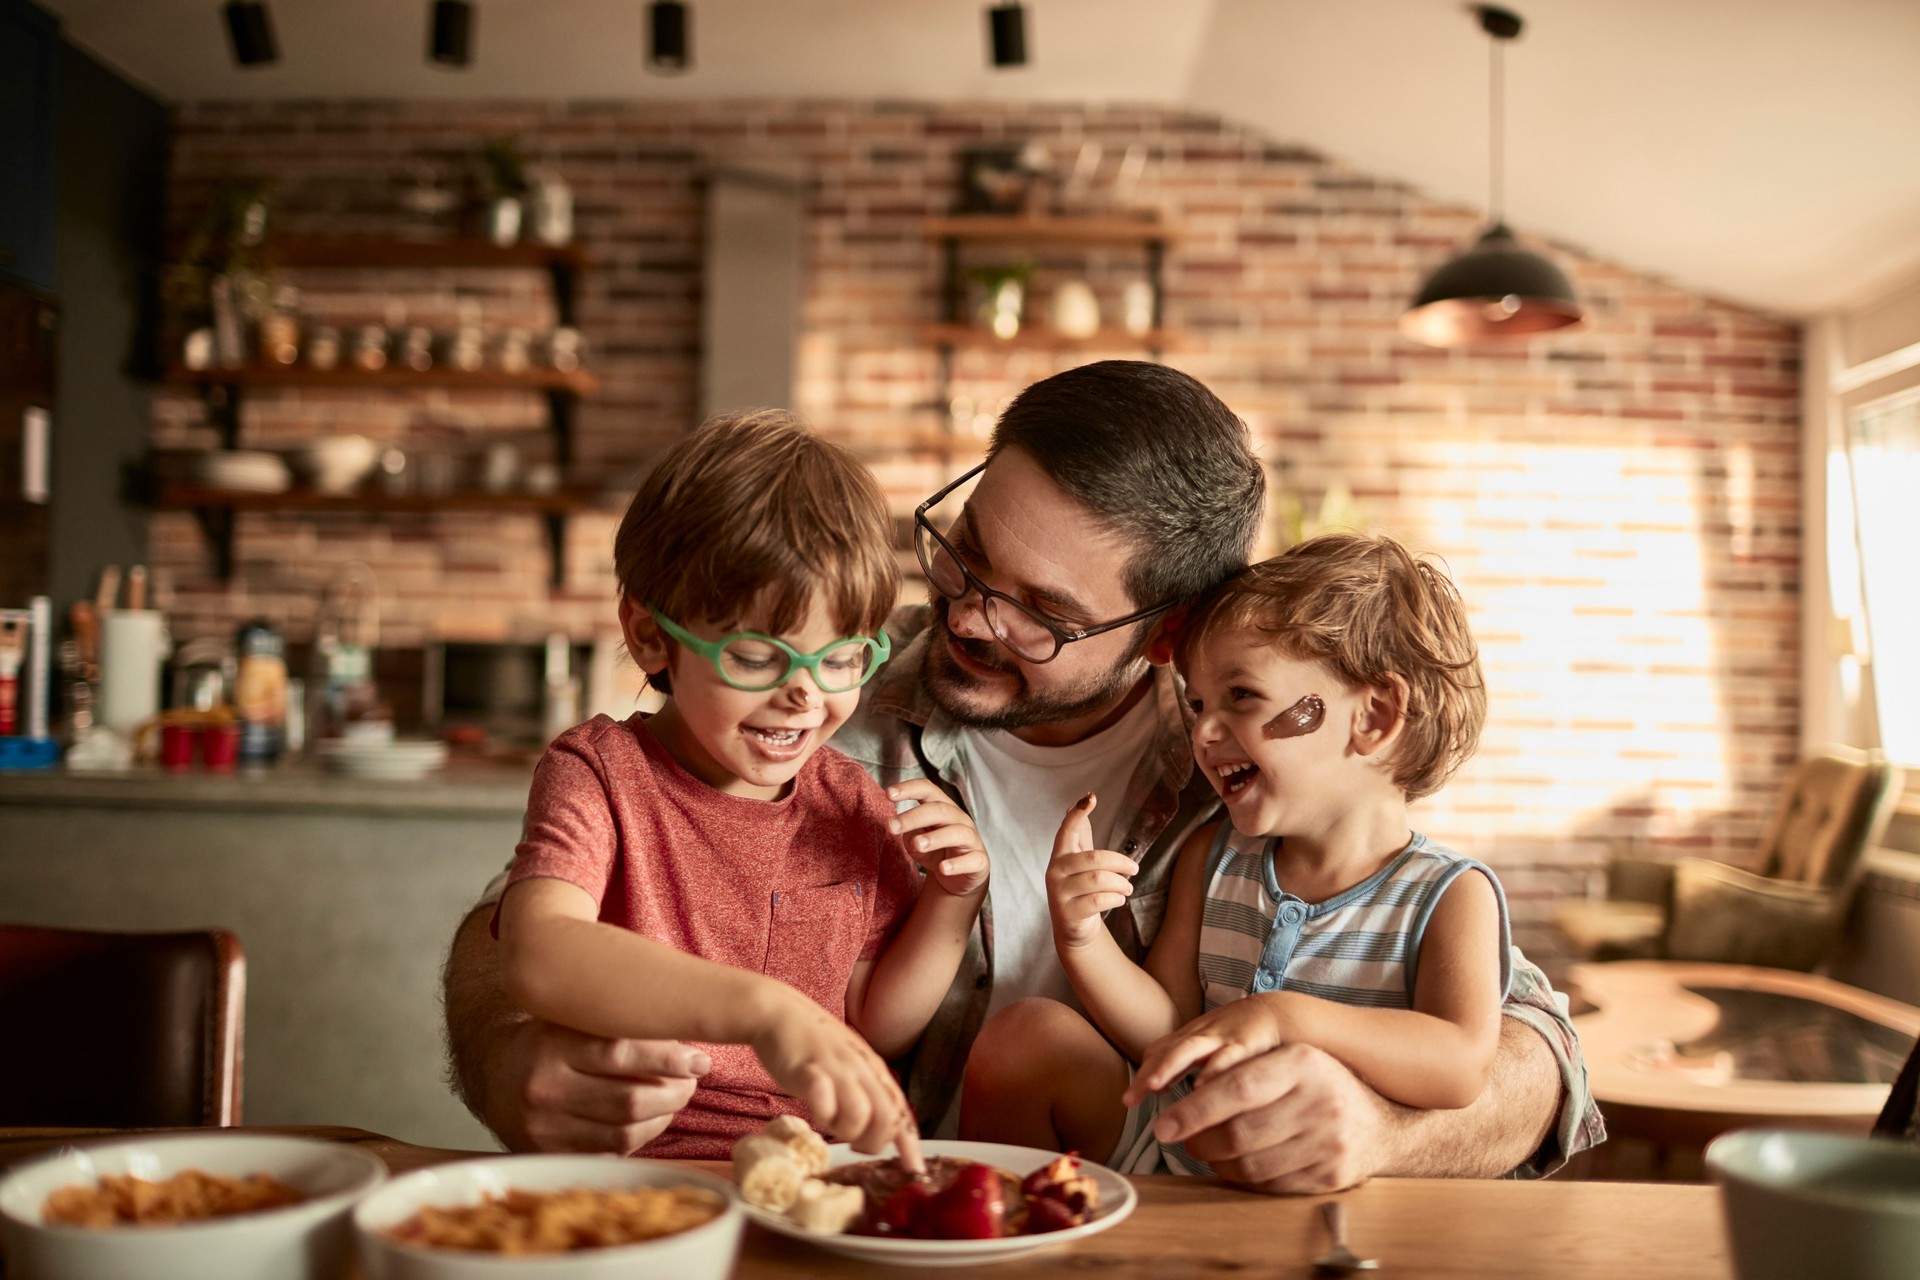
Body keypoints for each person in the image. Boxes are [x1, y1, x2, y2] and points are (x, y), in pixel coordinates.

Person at [443, 360, 1604, 1189]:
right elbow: (513, 929)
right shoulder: (824, 695)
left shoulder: (1250, 769)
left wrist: (1384, 1131)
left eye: (1044, 611)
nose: (970, 612)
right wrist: (512, 1056)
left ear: (1164, 633)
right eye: (968, 549)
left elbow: (1535, 1049)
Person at [489, 410, 989, 1161]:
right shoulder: (599, 773)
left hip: (813, 1172)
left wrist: (953, 903)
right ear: (651, 637)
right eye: (758, 658)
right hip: (637, 1168)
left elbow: (868, 1018)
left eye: (842, 658)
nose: (805, 694)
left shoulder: (852, 802)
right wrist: (763, 1012)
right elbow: (538, 952)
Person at [964, 534, 1512, 1173]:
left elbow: (1460, 1065)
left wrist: (1283, 1016)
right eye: (1195, 703)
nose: (1202, 730)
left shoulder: (1448, 896)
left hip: (1323, 1178)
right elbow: (1169, 1032)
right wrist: (1082, 939)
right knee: (1023, 1038)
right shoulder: (1215, 857)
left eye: (1241, 696)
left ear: (1375, 716)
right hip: (1175, 1144)